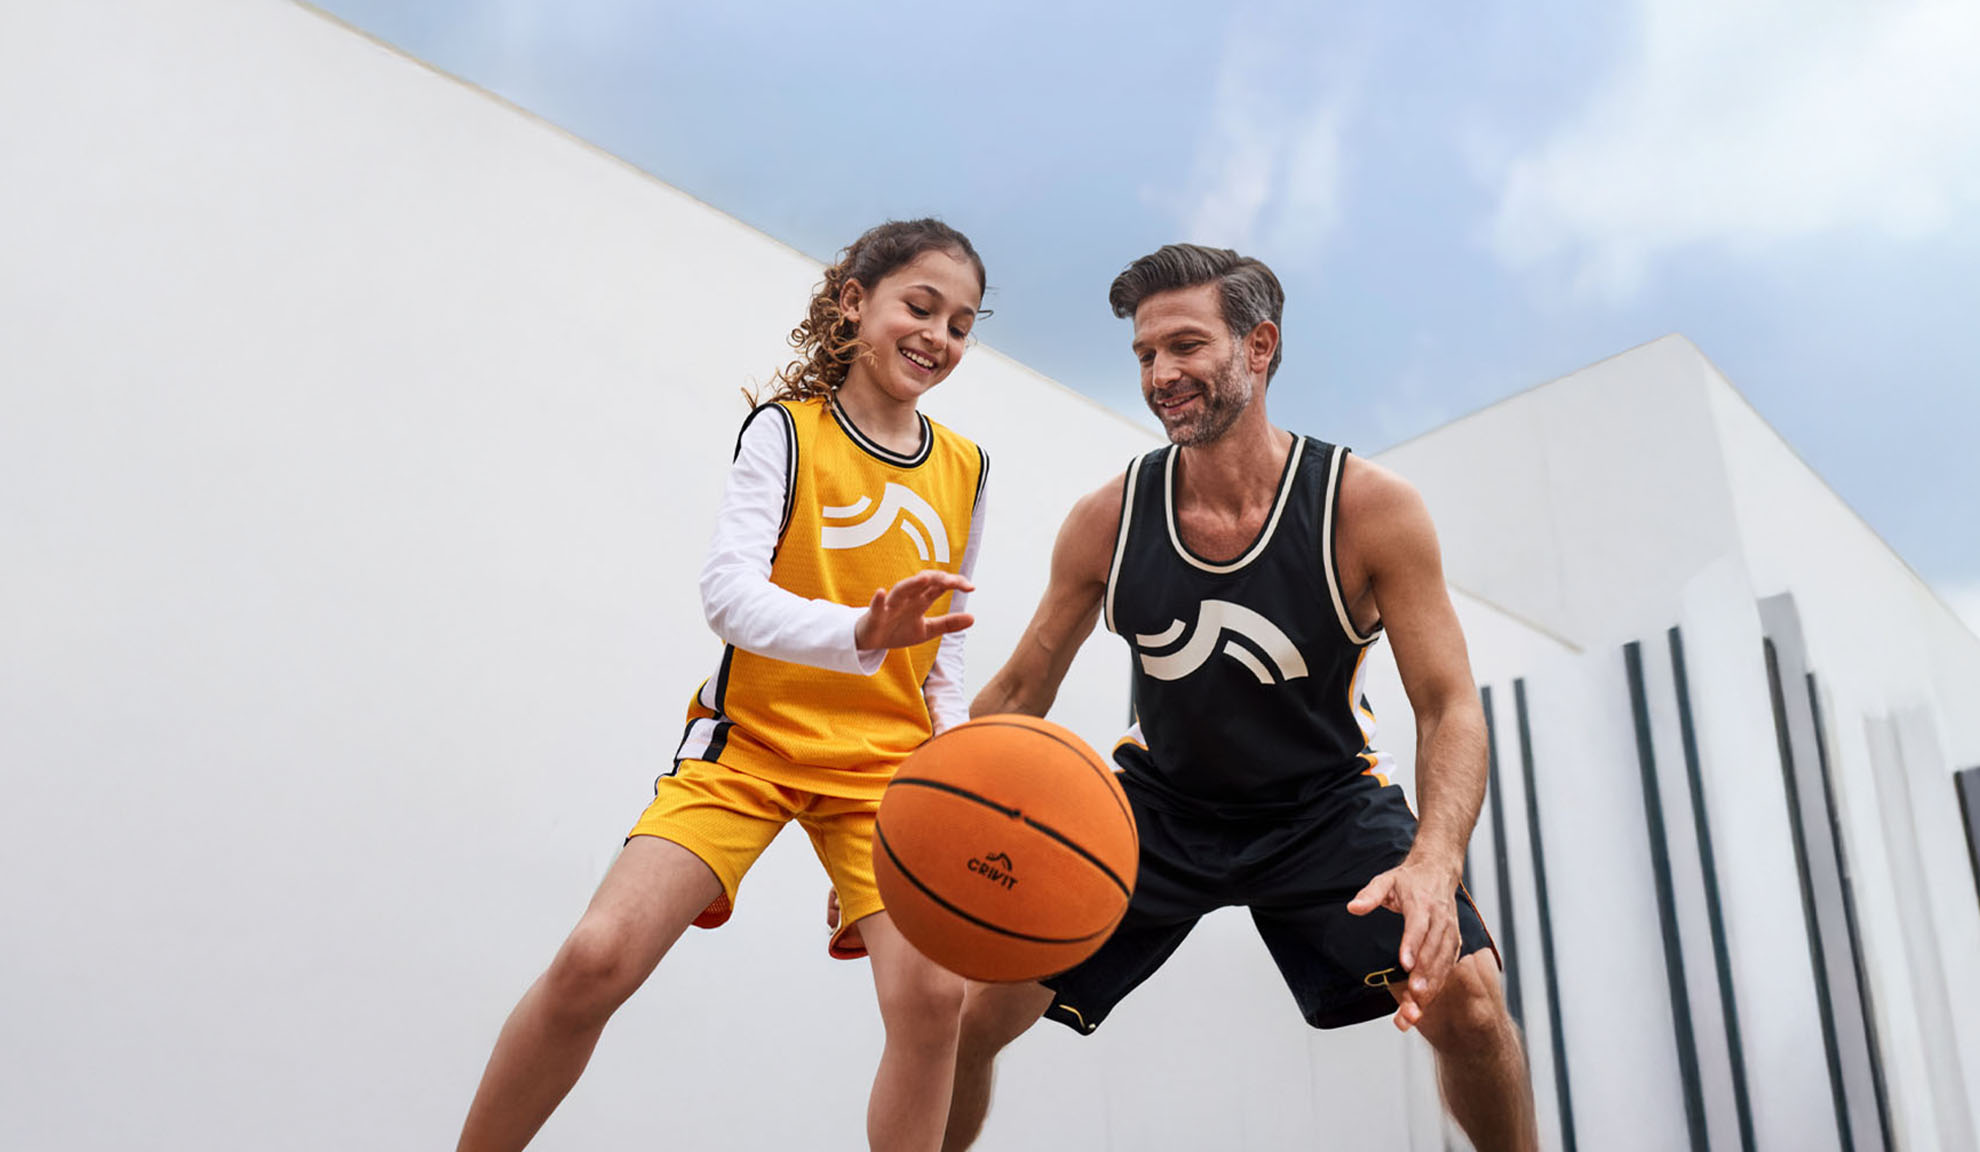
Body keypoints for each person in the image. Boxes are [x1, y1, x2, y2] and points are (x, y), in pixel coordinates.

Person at [941, 244, 1538, 1151]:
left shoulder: (1367, 508)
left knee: (1475, 1004)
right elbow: (1023, 687)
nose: (1161, 374)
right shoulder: (1109, 520)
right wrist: (920, 811)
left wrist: (1434, 862)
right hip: (1156, 811)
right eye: (1145, 355)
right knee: (961, 1019)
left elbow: (1448, 704)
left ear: (1259, 347)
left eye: (1185, 346)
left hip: (1324, 805)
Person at [456, 218, 992, 1152]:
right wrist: (860, 630)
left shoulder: (968, 469)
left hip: (883, 778)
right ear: (852, 302)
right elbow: (729, 594)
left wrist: (950, 778)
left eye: (961, 323)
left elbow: (943, 661)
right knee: (594, 959)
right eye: (921, 306)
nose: (938, 336)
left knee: (936, 1000)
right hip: (750, 747)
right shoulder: (786, 432)